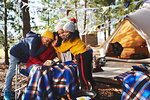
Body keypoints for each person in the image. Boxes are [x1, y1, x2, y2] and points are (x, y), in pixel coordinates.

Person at [3, 29, 54, 100]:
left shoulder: (40, 42)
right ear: (43, 37)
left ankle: (26, 71)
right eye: (47, 40)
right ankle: (6, 91)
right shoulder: (34, 40)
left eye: (49, 42)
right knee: (12, 72)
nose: (47, 43)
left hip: (24, 55)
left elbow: (34, 56)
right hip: (16, 53)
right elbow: (33, 54)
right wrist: (45, 47)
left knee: (33, 63)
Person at [52, 18, 96, 91]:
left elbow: (62, 49)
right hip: (86, 54)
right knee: (88, 73)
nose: (64, 34)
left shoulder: (69, 40)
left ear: (70, 32)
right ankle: (93, 86)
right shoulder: (75, 37)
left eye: (65, 32)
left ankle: (85, 90)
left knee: (83, 75)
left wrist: (55, 46)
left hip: (82, 56)